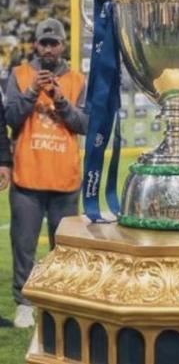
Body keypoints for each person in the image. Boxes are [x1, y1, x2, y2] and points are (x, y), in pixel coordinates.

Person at [5, 18, 88, 328]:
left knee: (63, 247)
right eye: (44, 43)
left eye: (54, 43)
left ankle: (58, 302)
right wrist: (32, 91)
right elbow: (11, 117)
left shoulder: (78, 80)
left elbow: (85, 124)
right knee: (23, 244)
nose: (49, 48)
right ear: (36, 45)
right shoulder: (20, 75)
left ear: (63, 45)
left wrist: (60, 100)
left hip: (64, 178)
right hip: (27, 176)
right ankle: (25, 302)